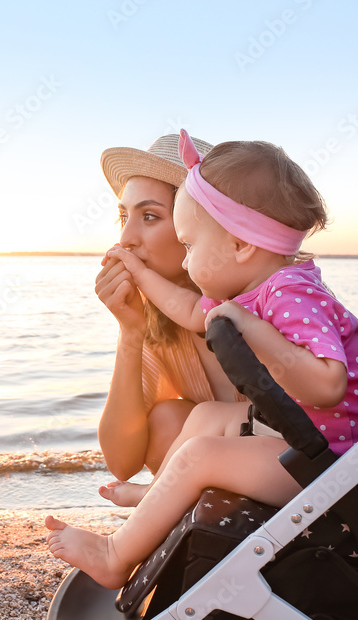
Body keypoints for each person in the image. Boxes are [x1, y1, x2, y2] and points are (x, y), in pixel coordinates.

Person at [46, 131, 358, 589]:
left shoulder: (290, 294)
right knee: (205, 416)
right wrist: (137, 302)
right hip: (304, 439)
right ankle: (157, 496)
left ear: (240, 245)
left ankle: (114, 555)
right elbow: (189, 312)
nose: (127, 239)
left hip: (333, 461)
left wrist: (256, 333)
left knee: (202, 455)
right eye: (124, 217)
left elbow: (328, 386)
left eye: (186, 243)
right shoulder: (252, 292)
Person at [95, 133, 240, 505]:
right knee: (167, 418)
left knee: (197, 417)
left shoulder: (265, 297)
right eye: (123, 216)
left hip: (289, 465)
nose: (125, 238)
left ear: (200, 223)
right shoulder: (158, 320)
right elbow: (122, 463)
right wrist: (130, 332)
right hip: (223, 472)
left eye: (149, 216)